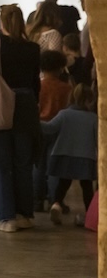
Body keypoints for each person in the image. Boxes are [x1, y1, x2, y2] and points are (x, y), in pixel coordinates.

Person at [0, 4, 41, 234]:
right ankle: (25, 214)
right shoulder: (33, 47)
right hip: (26, 106)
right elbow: (35, 82)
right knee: (23, 164)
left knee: (1, 164)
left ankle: (6, 217)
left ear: (2, 22)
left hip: (0, 105)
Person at [42, 83, 97, 226]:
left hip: (64, 154)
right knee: (86, 188)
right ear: (89, 100)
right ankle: (90, 214)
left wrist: (36, 122)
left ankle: (56, 204)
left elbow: (49, 128)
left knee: (63, 183)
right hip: (86, 157)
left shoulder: (64, 114)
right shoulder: (93, 118)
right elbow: (99, 139)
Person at [35, 50, 72, 214]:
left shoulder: (38, 86)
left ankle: (36, 200)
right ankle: (55, 200)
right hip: (59, 129)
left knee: (38, 166)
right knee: (54, 166)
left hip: (40, 127)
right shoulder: (66, 88)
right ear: (60, 67)